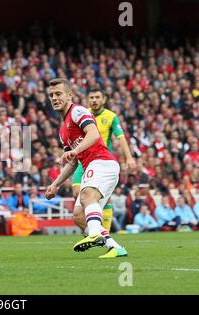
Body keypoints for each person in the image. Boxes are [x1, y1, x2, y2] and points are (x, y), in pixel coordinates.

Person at [44, 78, 127, 258]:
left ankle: (94, 234)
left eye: (58, 94)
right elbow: (73, 162)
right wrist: (55, 184)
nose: (54, 98)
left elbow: (94, 134)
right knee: (78, 215)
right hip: (95, 165)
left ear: (69, 95)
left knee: (87, 194)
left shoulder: (78, 111)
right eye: (51, 95)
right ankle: (115, 247)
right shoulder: (62, 132)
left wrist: (75, 150)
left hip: (102, 161)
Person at [71, 88, 136, 232]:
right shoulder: (83, 115)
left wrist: (129, 157)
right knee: (77, 192)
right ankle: (94, 231)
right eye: (91, 97)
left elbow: (121, 137)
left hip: (101, 161)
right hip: (83, 161)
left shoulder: (111, 117)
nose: (94, 100)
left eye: (97, 97)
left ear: (104, 99)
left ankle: (102, 231)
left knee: (101, 196)